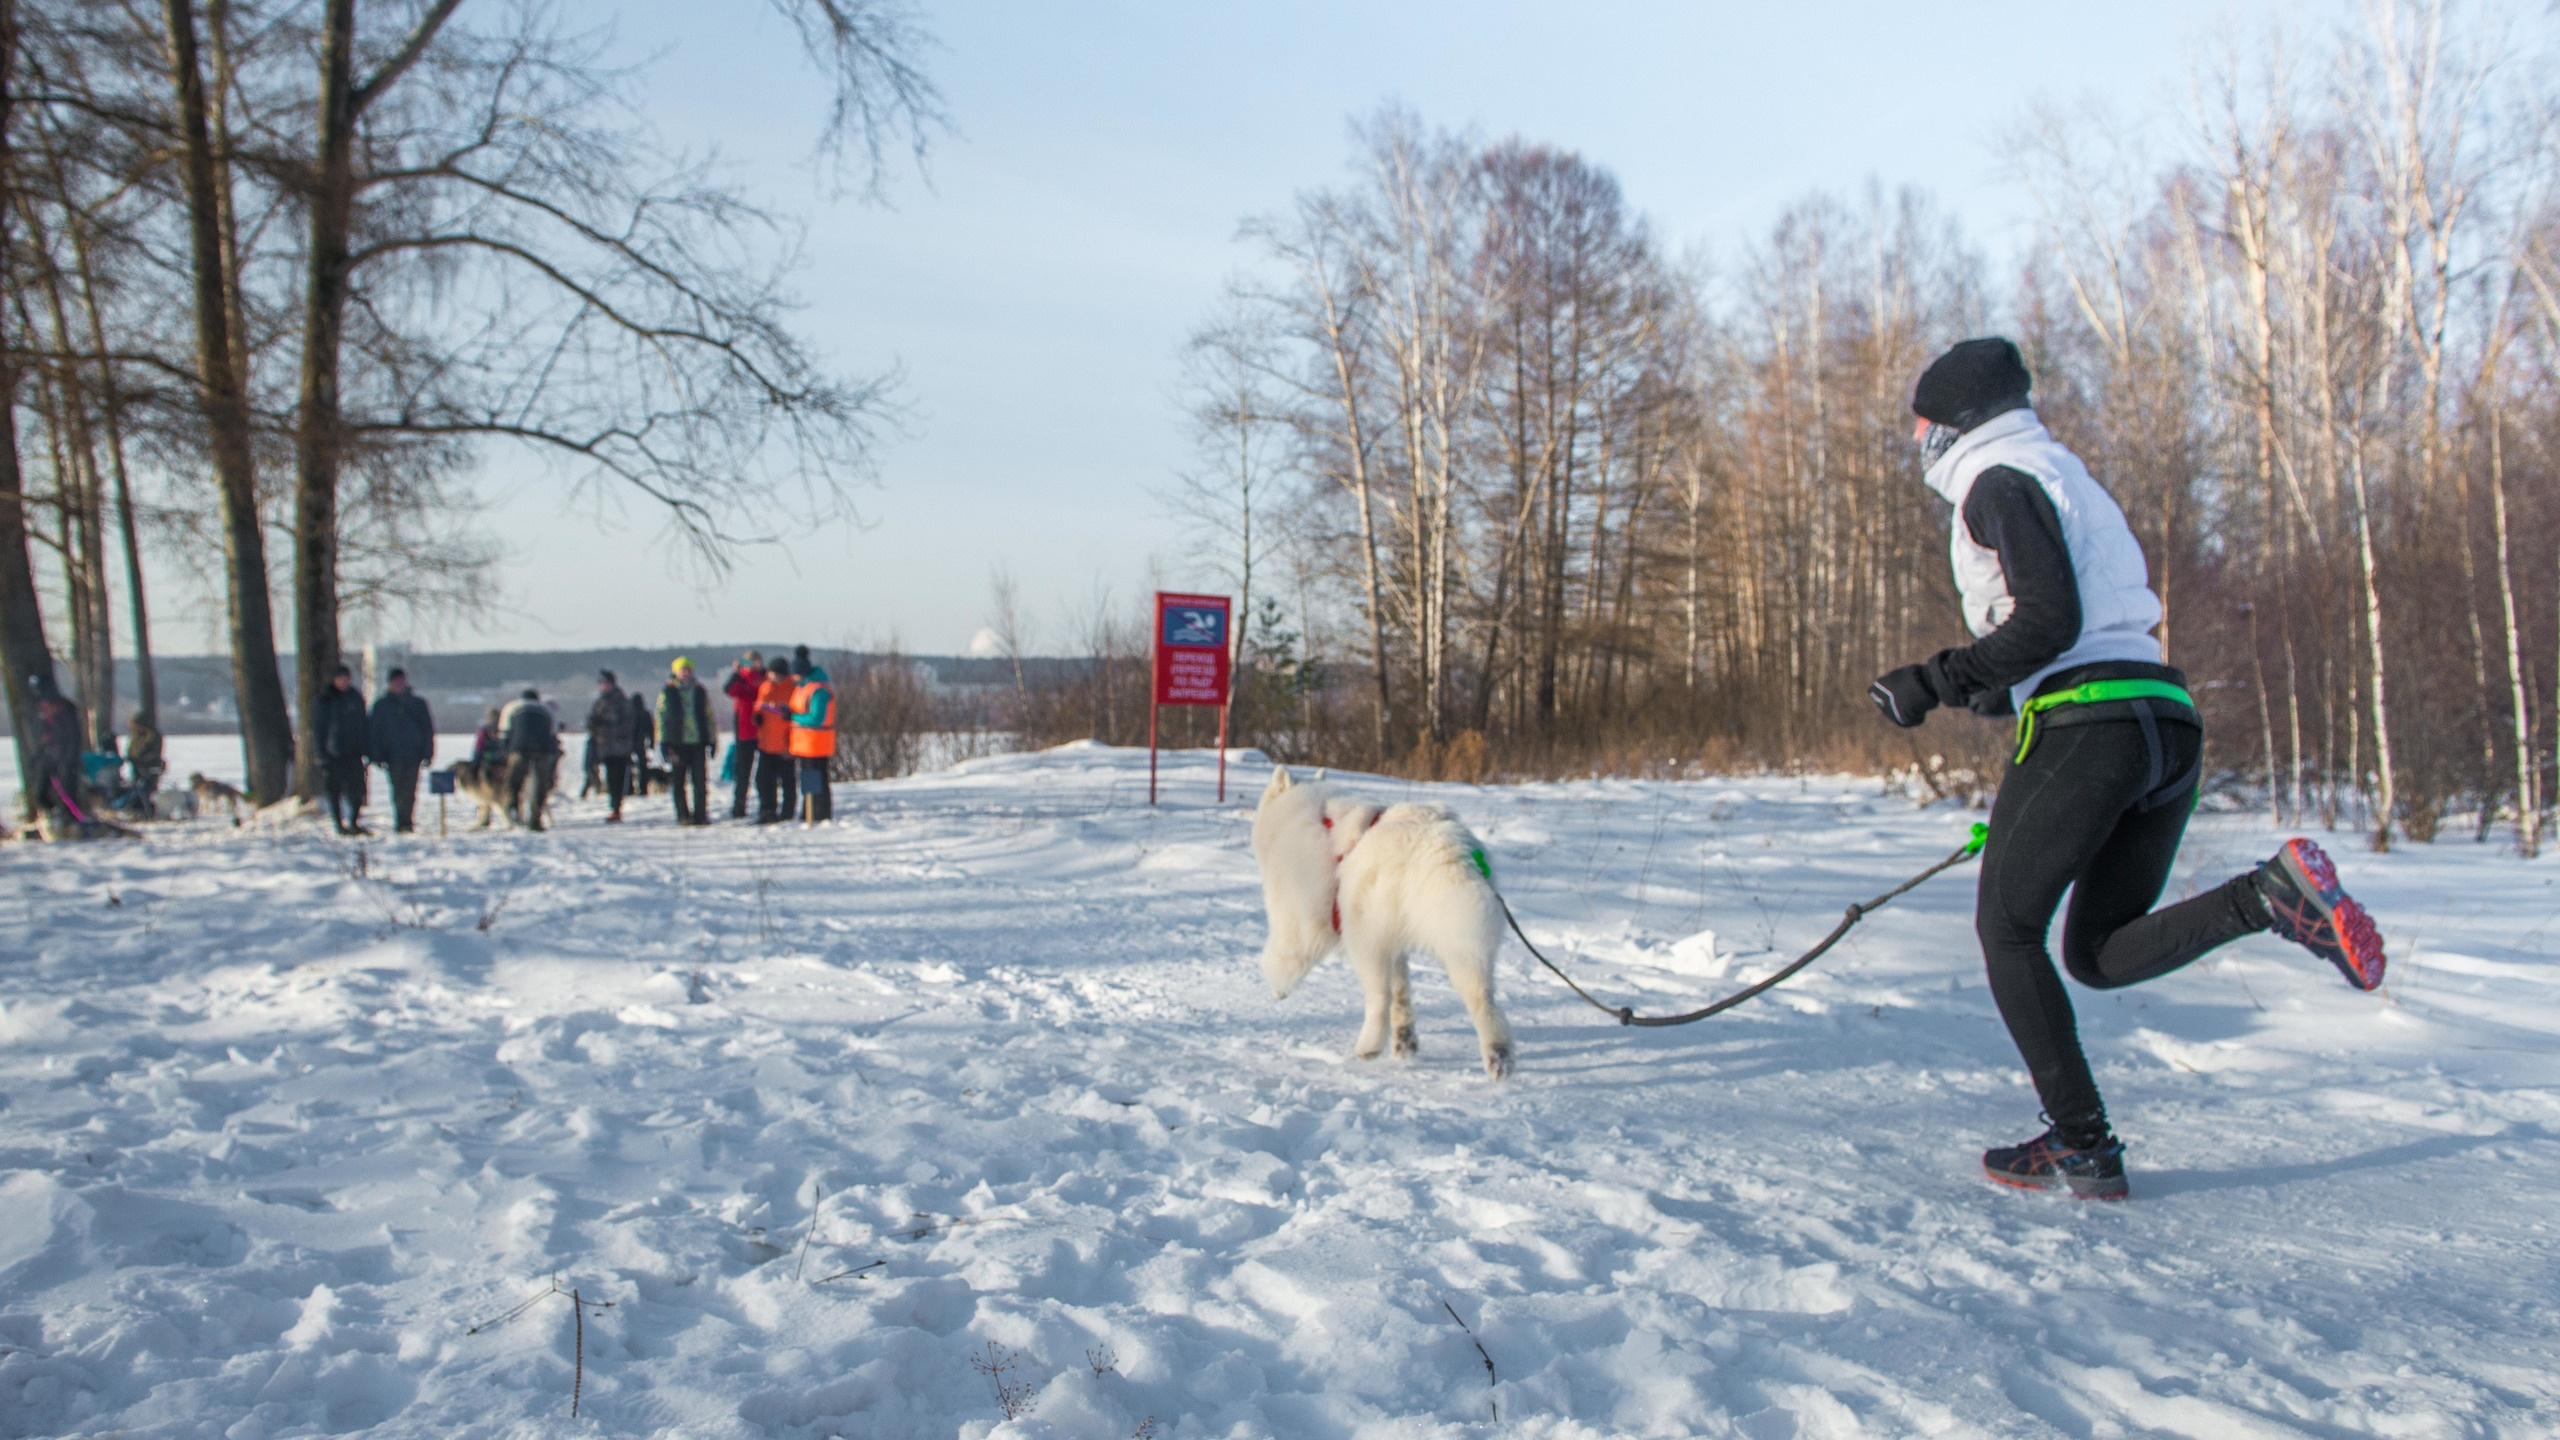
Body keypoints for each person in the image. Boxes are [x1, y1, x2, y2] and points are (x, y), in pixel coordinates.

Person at [1871, 336, 2387, 1201]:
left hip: (2093, 725)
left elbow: (2052, 621)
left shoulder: (1997, 482)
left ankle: (2083, 1145)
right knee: (2098, 954)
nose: (1917, 440)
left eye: (1921, 423)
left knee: (2006, 933)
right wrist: (1998, 694)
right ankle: (2268, 896)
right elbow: (2079, 624)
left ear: (1950, 425)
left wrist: (1933, 680)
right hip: (2163, 723)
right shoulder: (2064, 476)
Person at [368, 667, 437, 834]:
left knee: (410, 790)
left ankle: (408, 821)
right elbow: (374, 732)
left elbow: (427, 729)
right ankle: (401, 821)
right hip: (392, 755)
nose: (399, 684)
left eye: (401, 681)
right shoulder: (381, 705)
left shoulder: (417, 704)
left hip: (413, 754)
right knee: (398, 790)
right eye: (395, 681)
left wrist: (428, 752)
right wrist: (375, 754)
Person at [657, 657, 717, 826]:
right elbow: (661, 717)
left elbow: (709, 716)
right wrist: (663, 741)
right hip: (676, 743)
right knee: (678, 781)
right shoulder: (668, 691)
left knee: (700, 781)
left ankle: (701, 814)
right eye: (682, 669)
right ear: (676, 671)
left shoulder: (699, 690)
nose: (685, 673)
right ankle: (683, 815)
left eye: (688, 669)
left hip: (697, 741)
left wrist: (712, 740)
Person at [314, 662, 372, 835]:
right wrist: (321, 752)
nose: (344, 681)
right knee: (334, 791)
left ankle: (354, 821)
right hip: (333, 754)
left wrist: (367, 747)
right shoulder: (325, 699)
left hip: (354, 752)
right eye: (341, 678)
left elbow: (364, 724)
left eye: (346, 678)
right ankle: (338, 824)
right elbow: (319, 728)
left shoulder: (355, 697)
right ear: (334, 680)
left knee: (358, 791)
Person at [24, 674, 84, 824]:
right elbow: (46, 734)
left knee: (68, 793)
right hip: (49, 756)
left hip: (66, 755)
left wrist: (69, 756)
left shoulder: (65, 707)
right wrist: (38, 754)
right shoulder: (42, 707)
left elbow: (74, 734)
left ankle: (70, 820)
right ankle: (53, 818)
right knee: (41, 793)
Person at [503, 687, 561, 831]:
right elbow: (553, 733)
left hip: (519, 748)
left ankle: (514, 809)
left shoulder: (512, 707)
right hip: (543, 749)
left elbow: (504, 733)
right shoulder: (546, 709)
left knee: (514, 781)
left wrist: (506, 752)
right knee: (540, 785)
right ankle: (535, 820)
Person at [788, 654, 836, 824]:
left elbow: (817, 718)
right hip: (805, 743)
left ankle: (819, 812)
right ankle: (808, 810)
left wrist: (793, 717)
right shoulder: (803, 688)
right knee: (809, 778)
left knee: (818, 779)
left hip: (816, 743)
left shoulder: (819, 690)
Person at [586, 669, 637, 822]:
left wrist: (606, 729)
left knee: (618, 779)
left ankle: (616, 808)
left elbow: (628, 726)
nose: (604, 687)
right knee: (610, 779)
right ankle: (613, 806)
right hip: (605, 748)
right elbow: (592, 722)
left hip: (620, 748)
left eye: (606, 684)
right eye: (601, 684)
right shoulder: (599, 703)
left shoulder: (622, 702)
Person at [753, 655, 798, 824]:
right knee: (764, 781)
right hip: (766, 742)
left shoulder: (792, 688)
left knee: (787, 781)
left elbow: (797, 713)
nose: (775, 677)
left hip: (785, 744)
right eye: (773, 674)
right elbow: (759, 706)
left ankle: (787, 813)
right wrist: (757, 716)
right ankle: (767, 811)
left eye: (779, 674)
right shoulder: (765, 687)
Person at [724, 650, 765, 818]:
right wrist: (735, 673)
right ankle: (739, 806)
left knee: (764, 773)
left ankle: (766, 806)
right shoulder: (740, 679)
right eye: (749, 662)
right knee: (743, 772)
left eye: (756, 661)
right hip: (744, 731)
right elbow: (729, 690)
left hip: (763, 731)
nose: (753, 665)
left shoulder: (764, 678)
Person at [126, 711, 165, 815]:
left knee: (147, 790)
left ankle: (149, 811)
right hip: (136, 767)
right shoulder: (135, 736)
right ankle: (138, 809)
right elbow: (131, 750)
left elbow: (153, 751)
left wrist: (141, 758)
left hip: (150, 767)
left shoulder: (153, 735)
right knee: (136, 789)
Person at [629, 677, 657, 796]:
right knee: (642, 766)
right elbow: (651, 729)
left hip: (629, 743)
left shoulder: (629, 713)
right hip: (641, 743)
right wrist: (651, 742)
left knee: (629, 767)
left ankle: (629, 788)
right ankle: (643, 788)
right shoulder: (645, 713)